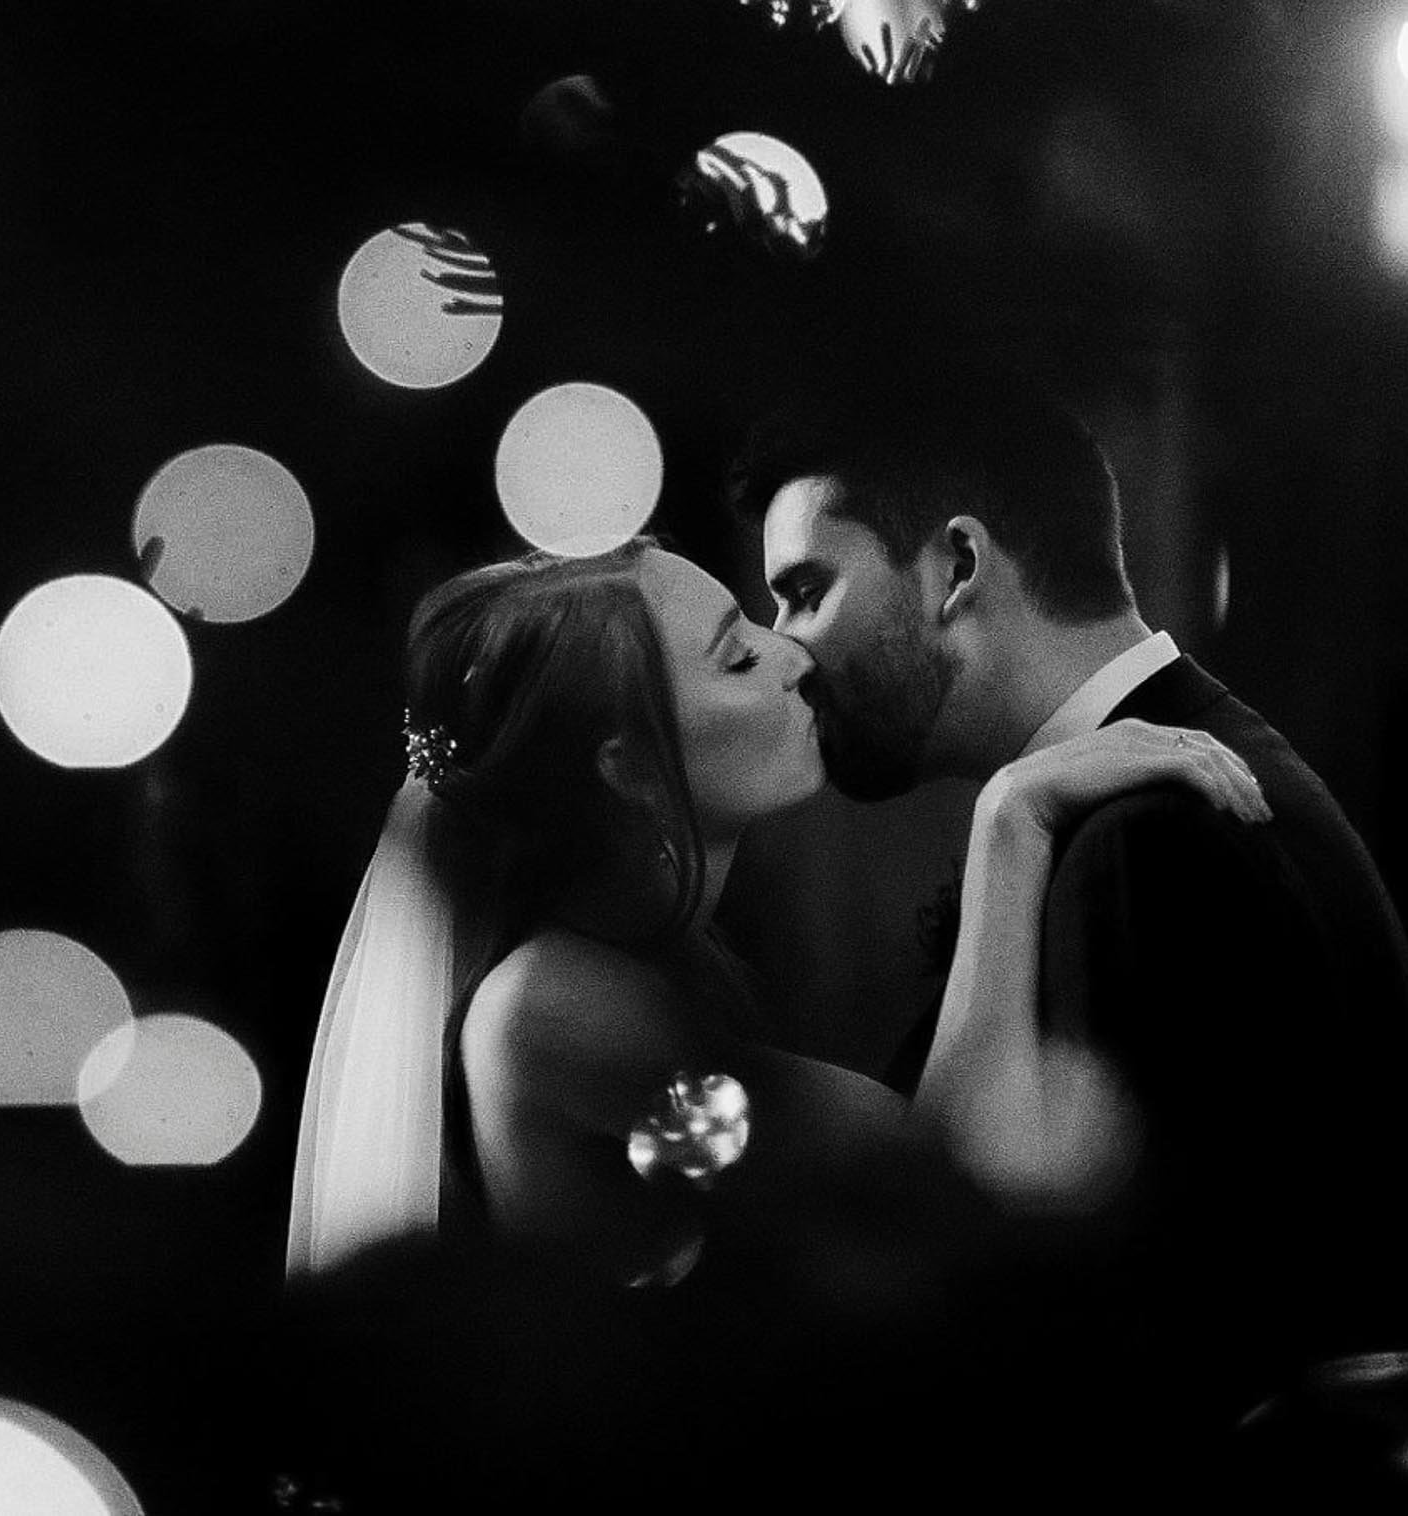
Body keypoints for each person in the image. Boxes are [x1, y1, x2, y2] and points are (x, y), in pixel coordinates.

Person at [729, 361, 1408, 1479]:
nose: (785, 646)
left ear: (955, 566)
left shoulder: (1142, 834)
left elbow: (1119, 1325)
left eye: (806, 588)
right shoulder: (1156, 777)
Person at [285, 537, 1270, 1298]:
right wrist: (1009, 824)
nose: (791, 652)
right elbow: (957, 1177)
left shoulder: (657, 965)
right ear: (628, 765)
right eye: (735, 657)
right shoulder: (555, 1011)